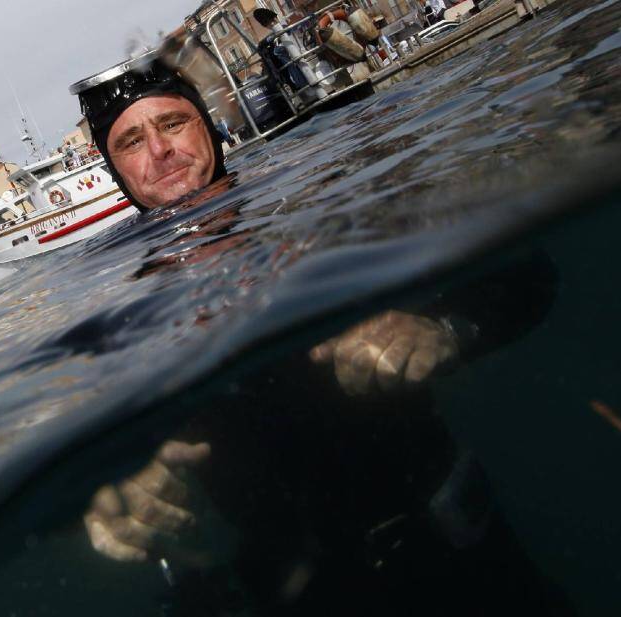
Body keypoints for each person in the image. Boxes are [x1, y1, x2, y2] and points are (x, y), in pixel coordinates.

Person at [71, 58, 569, 614]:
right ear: (116, 170)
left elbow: (529, 276)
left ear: (207, 126)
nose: (160, 151)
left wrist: (442, 330)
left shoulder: (322, 205)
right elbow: (66, 413)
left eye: (172, 123)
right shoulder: (115, 302)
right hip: (305, 587)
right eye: (132, 141)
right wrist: (109, 478)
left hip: (455, 547)